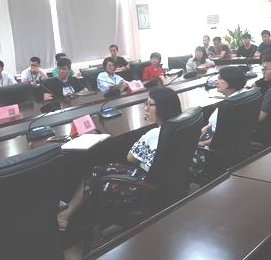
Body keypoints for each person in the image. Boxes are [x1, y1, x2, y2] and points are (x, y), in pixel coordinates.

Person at [56, 87, 182, 230]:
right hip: (166, 184)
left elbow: (130, 158)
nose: (145, 107)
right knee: (103, 169)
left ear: (163, 108)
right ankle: (68, 215)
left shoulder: (155, 133)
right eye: (145, 103)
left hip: (143, 188)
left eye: (149, 104)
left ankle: (71, 219)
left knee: (94, 172)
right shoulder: (179, 126)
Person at [198, 66, 247, 147]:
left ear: (231, 81)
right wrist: (207, 127)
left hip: (214, 146)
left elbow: (221, 137)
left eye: (220, 79)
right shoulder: (235, 98)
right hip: (209, 134)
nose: (216, 82)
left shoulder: (229, 106)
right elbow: (217, 123)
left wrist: (201, 144)